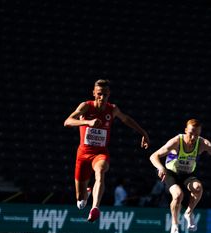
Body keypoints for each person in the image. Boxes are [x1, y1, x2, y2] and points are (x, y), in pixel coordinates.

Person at [64, 79, 150, 221]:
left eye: (105, 94)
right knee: (80, 200)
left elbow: (126, 119)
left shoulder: (112, 109)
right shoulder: (86, 106)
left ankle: (95, 208)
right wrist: (88, 122)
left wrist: (143, 133)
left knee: (101, 171)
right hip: (83, 155)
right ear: (94, 93)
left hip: (100, 153)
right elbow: (67, 121)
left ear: (109, 94)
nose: (102, 98)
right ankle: (86, 194)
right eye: (99, 94)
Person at [149, 119, 211, 233]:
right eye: (191, 133)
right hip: (171, 173)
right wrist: (160, 168)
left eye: (197, 135)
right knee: (178, 195)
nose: (193, 137)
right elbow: (154, 156)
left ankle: (188, 212)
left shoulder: (203, 143)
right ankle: (175, 226)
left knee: (198, 188)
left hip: (187, 174)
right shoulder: (177, 141)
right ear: (186, 130)